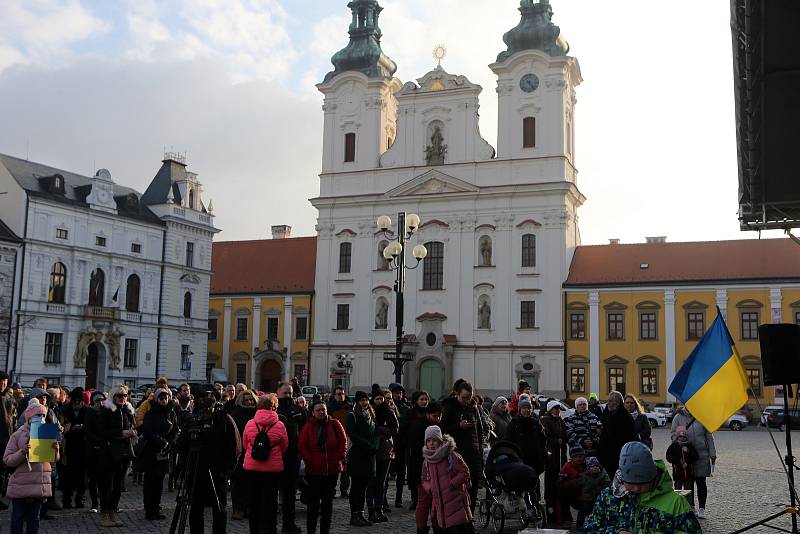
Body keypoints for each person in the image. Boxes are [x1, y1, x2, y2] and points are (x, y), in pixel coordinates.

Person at [584, 441, 702, 534]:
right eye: (631, 483)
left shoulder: (675, 502)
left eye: (642, 483)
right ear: (622, 477)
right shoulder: (608, 498)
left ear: (653, 476)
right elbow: (591, 527)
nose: (636, 488)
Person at [186, 393, 242, 534]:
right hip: (196, 471)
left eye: (209, 405)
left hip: (217, 473)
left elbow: (235, 447)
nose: (207, 409)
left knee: (219, 508)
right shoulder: (194, 419)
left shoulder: (224, 419)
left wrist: (227, 470)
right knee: (195, 508)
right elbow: (184, 445)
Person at [3, 398, 60, 534]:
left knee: (34, 520)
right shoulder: (17, 435)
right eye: (37, 415)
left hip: (39, 485)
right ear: (29, 418)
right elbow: (7, 459)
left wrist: (55, 450)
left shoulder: (47, 433)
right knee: (17, 518)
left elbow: (53, 461)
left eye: (43, 416)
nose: (40, 418)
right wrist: (23, 452)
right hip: (22, 484)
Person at [298, 400, 347, 534]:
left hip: (332, 470)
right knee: (313, 505)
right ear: (313, 412)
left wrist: (340, 456)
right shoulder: (308, 426)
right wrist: (309, 460)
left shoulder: (335, 424)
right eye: (318, 410)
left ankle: (325, 530)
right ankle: (311, 530)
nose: (321, 412)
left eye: (323, 410)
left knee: (327, 504)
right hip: (314, 471)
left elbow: (343, 441)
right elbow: (302, 445)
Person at [242, 394, 288, 534]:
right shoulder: (280, 424)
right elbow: (284, 446)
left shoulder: (250, 423)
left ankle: (254, 530)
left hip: (252, 467)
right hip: (272, 469)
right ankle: (271, 529)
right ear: (274, 407)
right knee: (271, 502)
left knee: (253, 501)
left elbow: (245, 444)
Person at [415, 425, 472, 534]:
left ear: (440, 441)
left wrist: (453, 483)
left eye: (434, 440)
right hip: (439, 503)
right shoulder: (427, 461)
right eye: (428, 441)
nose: (431, 443)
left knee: (458, 528)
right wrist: (430, 488)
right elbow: (424, 478)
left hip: (455, 501)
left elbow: (465, 471)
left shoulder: (451, 455)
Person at [96, 384, 136, 528]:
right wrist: (121, 433)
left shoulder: (126, 411)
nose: (123, 398)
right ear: (113, 397)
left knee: (118, 486)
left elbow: (130, 426)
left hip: (123, 453)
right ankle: (104, 514)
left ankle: (113, 511)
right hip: (108, 453)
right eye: (119, 395)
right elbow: (101, 432)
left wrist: (132, 433)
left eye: (125, 395)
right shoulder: (106, 410)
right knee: (106, 485)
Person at [440, 380, 484, 512]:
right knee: (458, 489)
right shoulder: (449, 408)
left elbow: (479, 430)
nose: (467, 400)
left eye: (469, 398)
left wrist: (480, 447)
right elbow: (443, 430)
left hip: (473, 452)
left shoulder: (473, 407)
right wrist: (459, 426)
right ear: (457, 394)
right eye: (464, 398)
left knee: (473, 488)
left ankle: (469, 518)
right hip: (457, 453)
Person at [140, 387, 178, 520]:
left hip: (165, 451)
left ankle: (156, 507)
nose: (164, 400)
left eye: (166, 398)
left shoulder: (171, 413)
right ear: (157, 399)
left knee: (160, 480)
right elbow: (147, 432)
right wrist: (162, 442)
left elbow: (175, 430)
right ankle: (149, 508)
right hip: (152, 449)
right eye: (161, 398)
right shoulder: (151, 413)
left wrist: (170, 443)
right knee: (150, 480)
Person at [671, 405, 716, 518]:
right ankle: (691, 506)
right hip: (685, 455)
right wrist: (679, 442)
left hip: (701, 455)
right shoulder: (678, 418)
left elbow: (709, 436)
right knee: (688, 483)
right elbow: (673, 434)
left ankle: (702, 508)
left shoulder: (702, 417)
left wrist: (712, 453)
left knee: (701, 482)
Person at [344, 391, 378, 527]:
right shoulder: (352, 416)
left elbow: (375, 432)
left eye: (366, 400)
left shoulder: (371, 415)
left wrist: (375, 445)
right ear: (357, 402)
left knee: (364, 487)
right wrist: (368, 446)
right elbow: (353, 435)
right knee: (356, 486)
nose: (365, 402)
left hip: (369, 456)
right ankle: (354, 515)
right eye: (362, 400)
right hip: (357, 455)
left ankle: (361, 513)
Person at [276, 382, 306, 534]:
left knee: (290, 494)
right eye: (285, 393)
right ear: (278, 393)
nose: (287, 396)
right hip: (274, 458)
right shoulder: (273, 409)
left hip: (293, 457)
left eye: (290, 393)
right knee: (271, 493)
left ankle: (289, 524)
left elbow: (305, 430)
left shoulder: (298, 410)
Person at [368, 390, 397, 523]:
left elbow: (395, 428)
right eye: (377, 399)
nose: (380, 401)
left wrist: (381, 431)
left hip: (385, 450)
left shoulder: (389, 412)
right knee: (371, 482)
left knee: (382, 482)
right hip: (372, 452)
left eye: (381, 399)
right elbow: (369, 430)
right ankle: (371, 510)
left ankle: (379, 508)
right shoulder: (369, 412)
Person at [229, 389, 257, 520]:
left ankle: (248, 507)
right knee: (237, 482)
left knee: (250, 483)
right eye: (246, 400)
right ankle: (237, 508)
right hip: (239, 452)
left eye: (251, 399)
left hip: (252, 453)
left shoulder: (257, 413)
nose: (249, 402)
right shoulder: (235, 414)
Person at [597, 390, 637, 479]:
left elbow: (630, 436)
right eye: (608, 401)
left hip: (618, 453)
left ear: (618, 402)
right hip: (606, 453)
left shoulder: (625, 416)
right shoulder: (607, 413)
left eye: (611, 401)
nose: (608, 403)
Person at [541, 400, 569, 524]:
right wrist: (555, 441)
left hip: (561, 459)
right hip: (552, 460)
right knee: (551, 489)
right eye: (556, 408)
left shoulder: (560, 421)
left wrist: (564, 439)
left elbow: (565, 436)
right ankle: (551, 515)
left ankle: (561, 514)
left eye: (559, 409)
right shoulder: (546, 421)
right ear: (550, 409)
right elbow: (545, 438)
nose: (558, 411)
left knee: (561, 488)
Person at [503, 397, 547, 475]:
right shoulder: (514, 422)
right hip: (519, 459)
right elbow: (508, 439)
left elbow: (542, 439)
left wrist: (542, 453)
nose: (527, 410)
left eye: (529, 408)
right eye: (524, 408)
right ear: (520, 410)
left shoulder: (535, 422)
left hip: (535, 460)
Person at [60, 387, 88, 509]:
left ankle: (79, 497)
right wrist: (70, 428)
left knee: (82, 474)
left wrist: (83, 427)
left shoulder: (87, 411)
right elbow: (61, 425)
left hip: (83, 446)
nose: (77, 403)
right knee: (67, 474)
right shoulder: (65, 409)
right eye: (75, 401)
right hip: (68, 446)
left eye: (79, 401)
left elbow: (91, 426)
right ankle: (67, 498)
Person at [327, 386, 353, 498]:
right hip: (334, 438)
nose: (341, 396)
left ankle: (344, 489)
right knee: (333, 466)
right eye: (338, 394)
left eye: (342, 393)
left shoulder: (350, 406)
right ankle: (331, 490)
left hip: (347, 437)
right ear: (334, 395)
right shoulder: (330, 408)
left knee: (346, 467)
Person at [387, 383, 410, 508]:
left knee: (401, 473)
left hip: (401, 443)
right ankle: (383, 500)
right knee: (386, 473)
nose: (399, 395)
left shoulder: (406, 408)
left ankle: (398, 498)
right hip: (389, 443)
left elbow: (405, 424)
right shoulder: (386, 407)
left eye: (400, 393)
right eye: (396, 393)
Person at [84, 391, 107, 513]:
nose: (100, 403)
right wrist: (97, 442)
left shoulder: (107, 412)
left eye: (102, 400)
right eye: (97, 401)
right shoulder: (89, 412)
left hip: (104, 450)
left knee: (104, 478)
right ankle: (94, 503)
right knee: (92, 478)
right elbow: (88, 431)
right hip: (92, 449)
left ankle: (104, 503)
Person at [573, 456, 610, 530]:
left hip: (598, 496)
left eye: (596, 465)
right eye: (592, 466)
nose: (595, 467)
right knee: (583, 512)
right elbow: (577, 482)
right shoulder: (585, 475)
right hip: (587, 497)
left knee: (595, 512)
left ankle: (593, 525)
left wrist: (599, 489)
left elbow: (608, 483)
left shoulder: (602, 473)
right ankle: (579, 525)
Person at [666, 426, 699, 501]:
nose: (682, 438)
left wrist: (688, 453)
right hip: (678, 473)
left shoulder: (689, 446)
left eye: (684, 436)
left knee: (688, 492)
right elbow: (669, 457)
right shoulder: (673, 446)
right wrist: (678, 461)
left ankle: (689, 507)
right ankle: (678, 506)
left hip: (688, 474)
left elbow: (696, 457)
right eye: (680, 436)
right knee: (678, 491)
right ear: (677, 437)